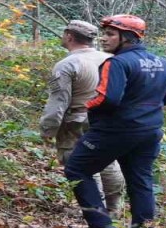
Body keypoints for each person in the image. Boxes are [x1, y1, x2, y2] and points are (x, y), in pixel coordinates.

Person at [63, 15, 166, 228]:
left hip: (116, 130)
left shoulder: (116, 63)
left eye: (111, 34)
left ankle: (101, 227)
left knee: (77, 168)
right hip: (150, 130)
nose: (104, 38)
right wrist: (147, 105)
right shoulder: (160, 62)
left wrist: (86, 107)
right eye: (105, 33)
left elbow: (107, 99)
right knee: (141, 179)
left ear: (127, 38)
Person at [39, 20, 126, 214]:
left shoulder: (67, 64)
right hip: (109, 119)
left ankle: (95, 210)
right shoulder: (110, 59)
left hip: (77, 121)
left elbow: (58, 101)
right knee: (109, 161)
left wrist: (48, 129)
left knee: (81, 163)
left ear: (69, 36)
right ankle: (114, 209)